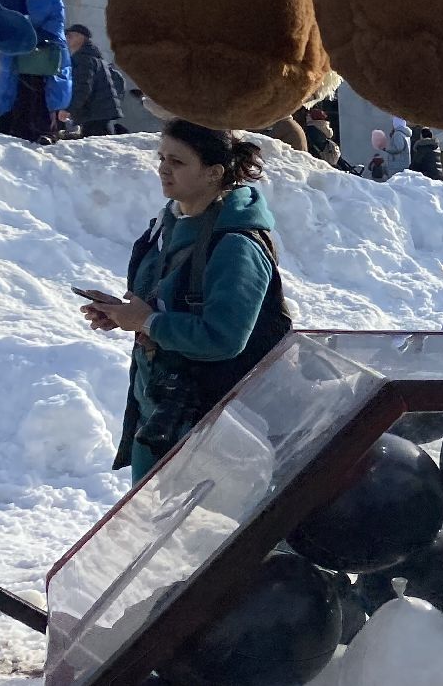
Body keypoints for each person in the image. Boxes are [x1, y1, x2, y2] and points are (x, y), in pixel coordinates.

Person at [79, 120, 290, 484]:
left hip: (215, 429)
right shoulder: (167, 225)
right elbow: (164, 304)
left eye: (177, 161)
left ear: (213, 173)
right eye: (162, 157)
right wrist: (124, 314)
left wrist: (148, 322)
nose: (163, 168)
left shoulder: (236, 246)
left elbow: (223, 337)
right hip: (161, 413)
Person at [0, 0, 70, 144]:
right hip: (15, 49)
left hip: (44, 47)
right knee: (15, 88)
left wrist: (40, 36)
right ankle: (15, 130)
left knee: (43, 88)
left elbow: (57, 17)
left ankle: (46, 131)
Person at [63, 24, 122, 137]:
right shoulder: (94, 57)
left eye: (70, 36)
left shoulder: (83, 58)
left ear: (81, 37)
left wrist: (69, 109)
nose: (67, 39)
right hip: (100, 111)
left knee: (98, 142)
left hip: (93, 112)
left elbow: (83, 87)